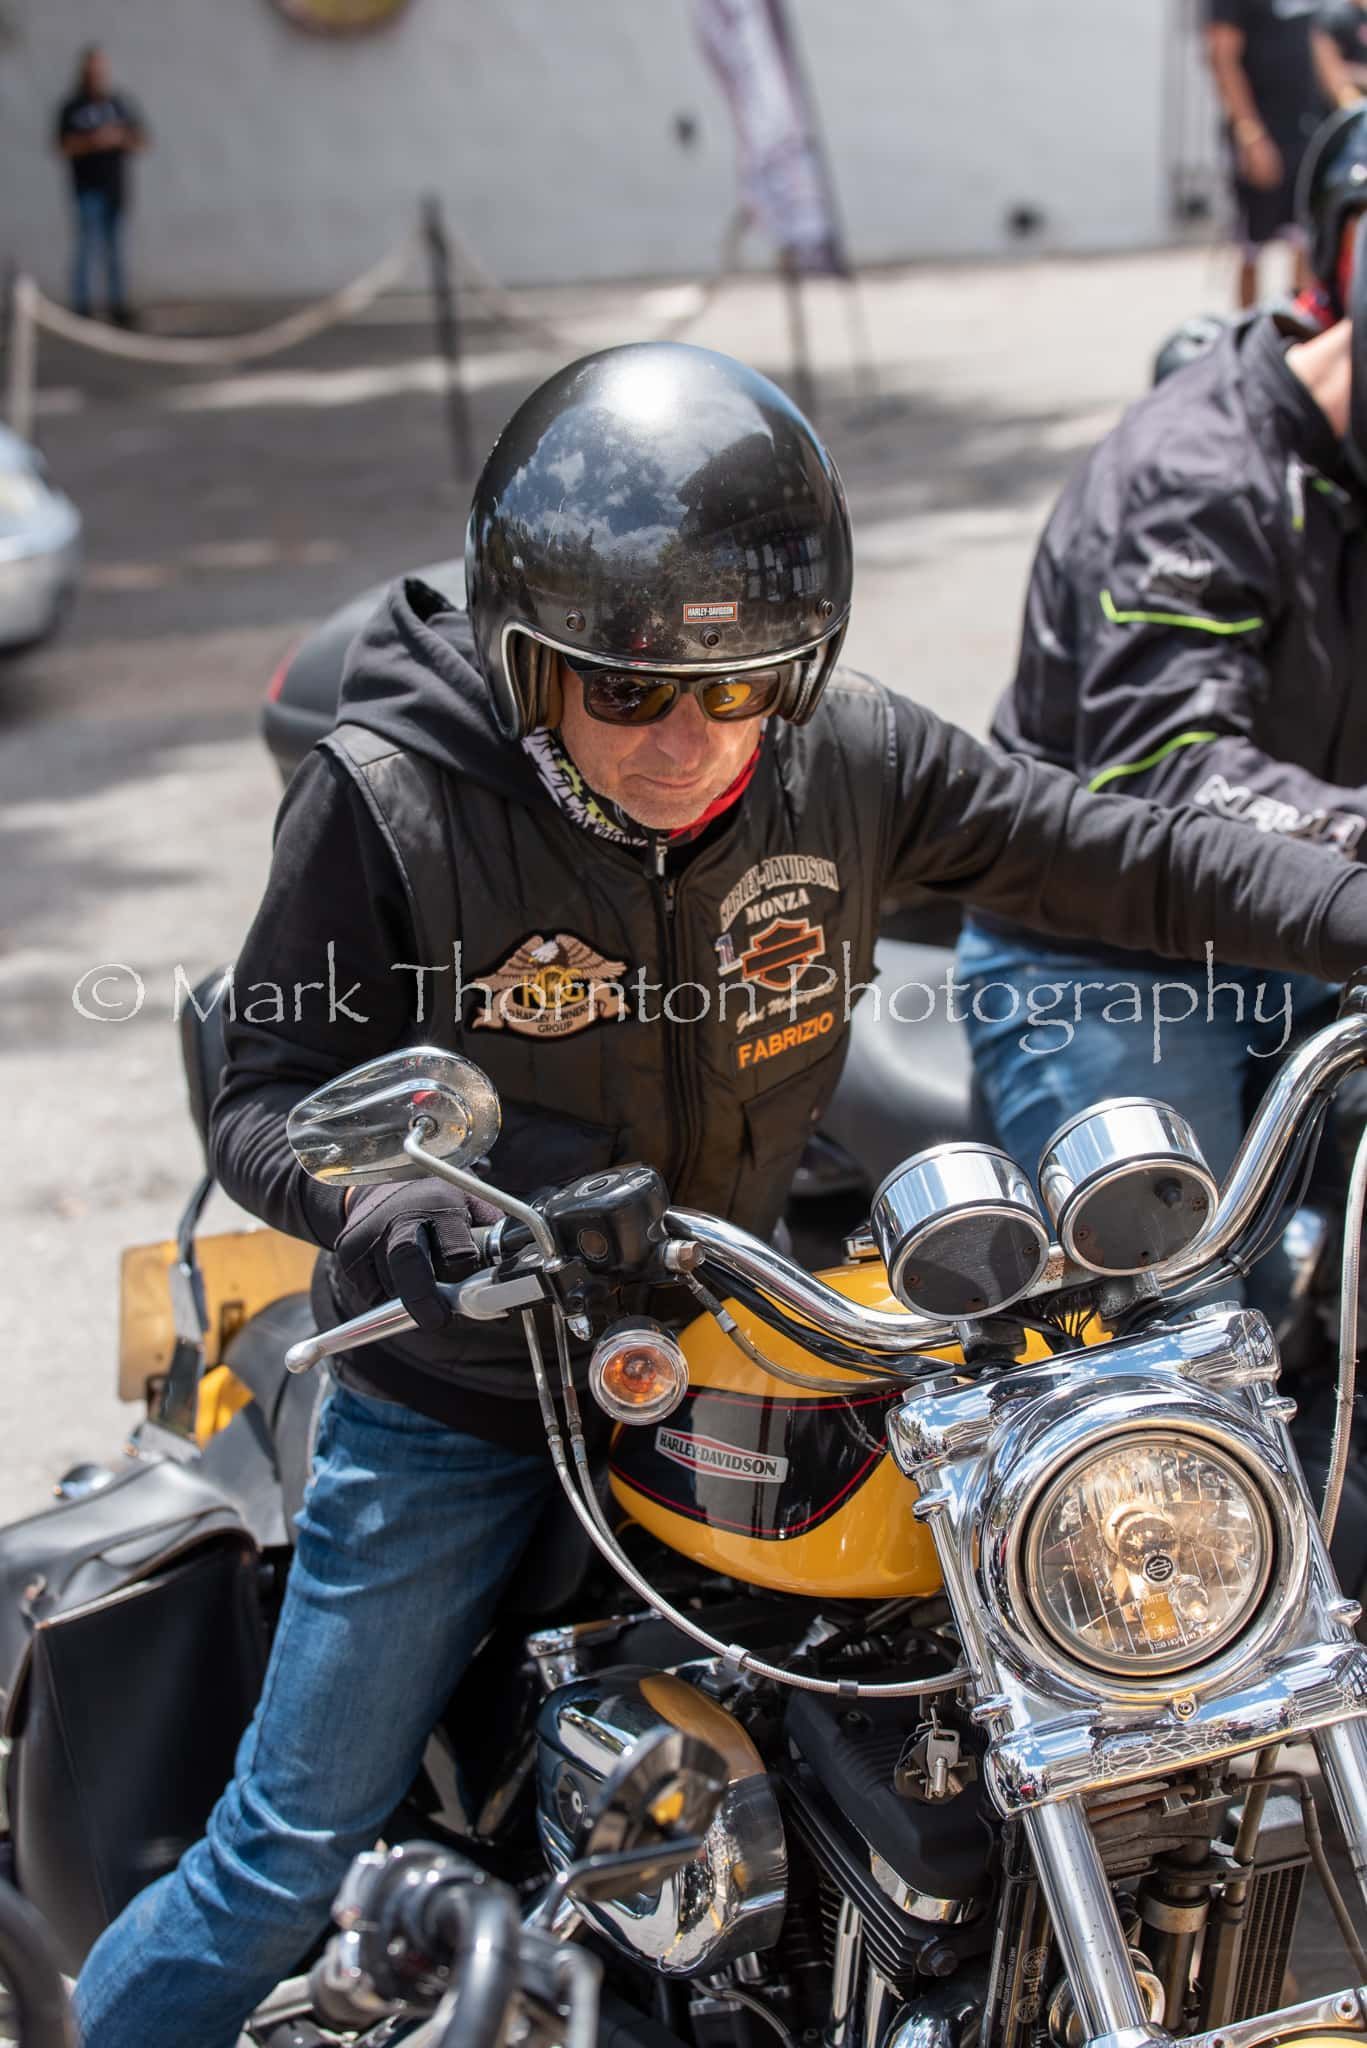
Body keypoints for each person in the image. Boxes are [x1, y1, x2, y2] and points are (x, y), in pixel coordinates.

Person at [74, 341, 1367, 2048]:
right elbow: (263, 1092)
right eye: (627, 695)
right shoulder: (390, 797)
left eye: (745, 686)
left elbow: (1135, 854)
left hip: (734, 1337)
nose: (690, 741)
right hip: (462, 1383)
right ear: (529, 663)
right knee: (285, 1844)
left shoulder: (850, 763)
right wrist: (403, 1214)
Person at [958, 104, 1367, 1190]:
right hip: (1107, 955)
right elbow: (1165, 767)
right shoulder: (1197, 471)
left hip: (1298, 927)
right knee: (1192, 1334)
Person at [1204, 0, 1346, 307]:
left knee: (1305, 240)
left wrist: (1348, 107)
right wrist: (1250, 134)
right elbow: (1221, 57)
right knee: (1252, 247)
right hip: (1262, 131)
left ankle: (1294, 330)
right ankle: (1246, 336)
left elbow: (1317, 45)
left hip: (1306, 129)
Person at [54, 47, 146, 326]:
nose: (96, 75)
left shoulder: (118, 104)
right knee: (86, 247)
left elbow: (141, 140)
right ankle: (82, 306)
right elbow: (63, 146)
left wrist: (118, 138)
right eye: (92, 69)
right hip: (87, 189)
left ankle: (117, 305)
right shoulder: (72, 107)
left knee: (114, 250)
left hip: (115, 189)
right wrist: (93, 141)